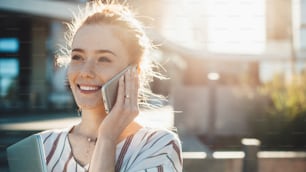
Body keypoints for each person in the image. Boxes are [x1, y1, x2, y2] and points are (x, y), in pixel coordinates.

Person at [39, 1, 182, 172]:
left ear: (133, 72)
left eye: (104, 59)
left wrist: (106, 138)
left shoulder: (159, 145)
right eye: (77, 57)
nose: (86, 71)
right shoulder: (43, 147)